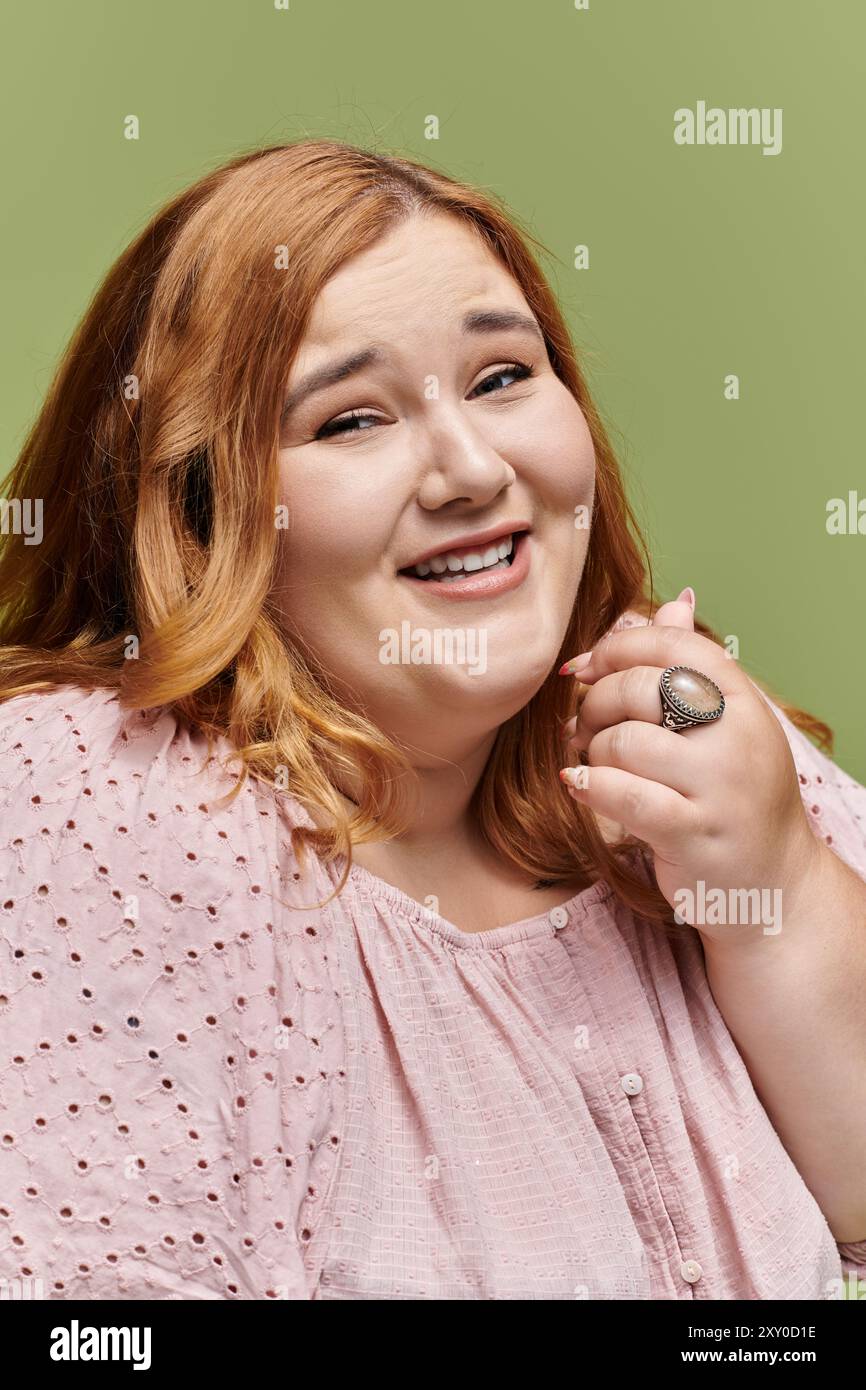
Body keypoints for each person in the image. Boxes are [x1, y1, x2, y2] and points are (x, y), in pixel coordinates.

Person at [1, 139, 864, 1301]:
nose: (469, 467)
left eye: (502, 376)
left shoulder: (684, 737)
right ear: (198, 513)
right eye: (350, 420)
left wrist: (779, 894)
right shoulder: (96, 790)